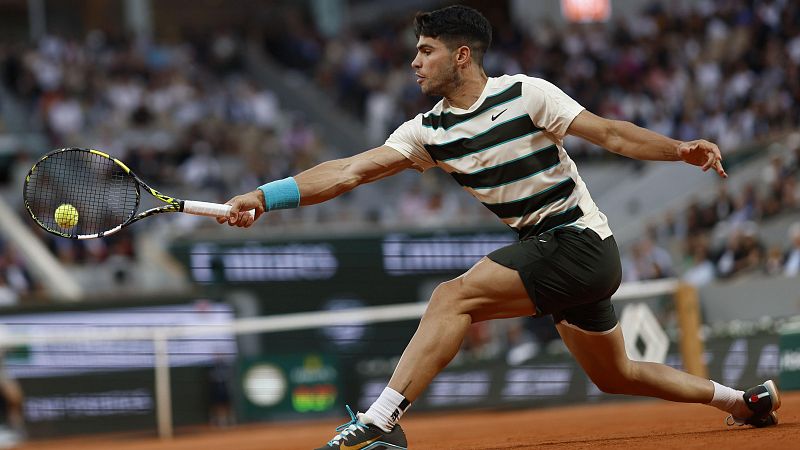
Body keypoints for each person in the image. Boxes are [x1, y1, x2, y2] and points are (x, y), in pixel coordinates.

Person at [218, 6, 780, 449]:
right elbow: (347, 171)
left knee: (450, 297)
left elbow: (609, 133)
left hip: (578, 242)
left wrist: (679, 149)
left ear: (461, 56)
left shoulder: (525, 94)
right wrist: (266, 197)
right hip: (562, 256)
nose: (414, 62)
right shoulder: (427, 131)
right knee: (617, 376)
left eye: (426, 51)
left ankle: (380, 422)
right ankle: (743, 401)